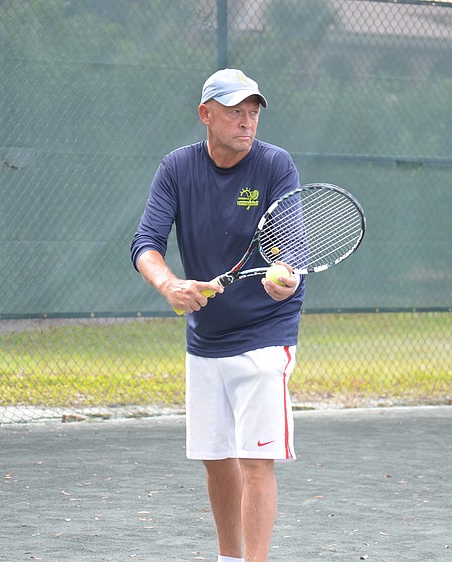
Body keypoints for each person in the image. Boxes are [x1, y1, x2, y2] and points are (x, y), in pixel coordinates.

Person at [130, 68, 304, 562]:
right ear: (206, 115)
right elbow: (145, 244)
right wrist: (169, 284)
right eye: (234, 112)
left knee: (255, 459)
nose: (246, 123)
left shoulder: (275, 165)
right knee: (216, 461)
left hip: (266, 333)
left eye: (252, 113)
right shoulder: (177, 169)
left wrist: (285, 274)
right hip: (206, 337)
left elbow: (290, 241)